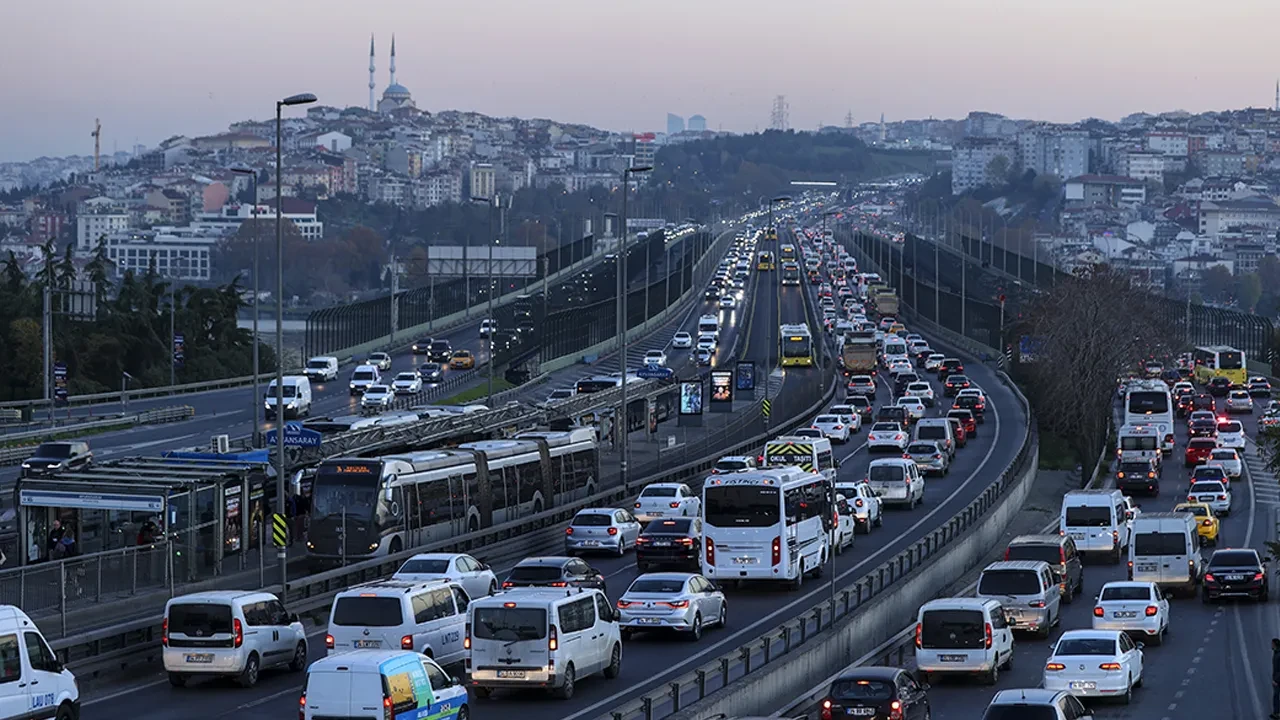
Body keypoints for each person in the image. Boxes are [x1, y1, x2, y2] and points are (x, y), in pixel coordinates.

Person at [1272, 637, 1280, 719]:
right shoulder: (1276, 653)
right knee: (1276, 697)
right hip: (1276, 679)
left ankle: (1277, 714)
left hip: (1278, 680)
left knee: (1276, 696)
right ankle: (1276, 713)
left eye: (1272, 644)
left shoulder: (1278, 654)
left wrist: (1276, 680)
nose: (1271, 645)